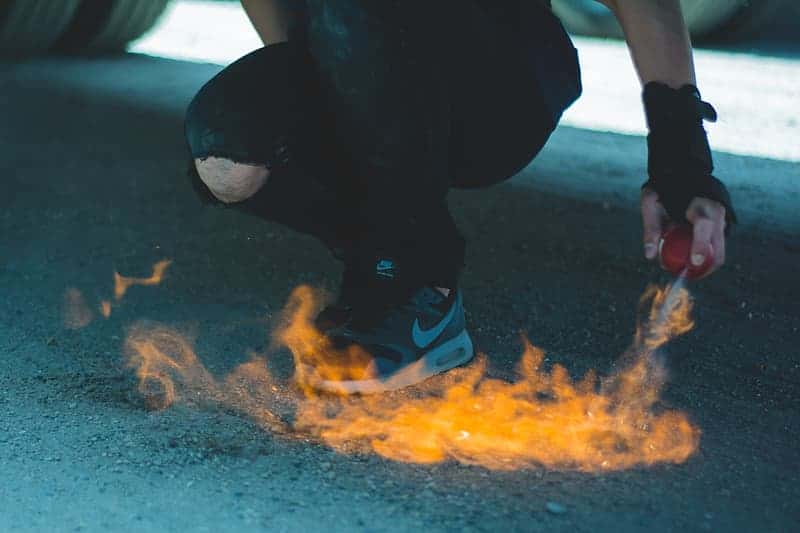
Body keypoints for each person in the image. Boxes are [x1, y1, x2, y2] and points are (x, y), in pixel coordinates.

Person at [184, 0, 736, 393]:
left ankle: (419, 278)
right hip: (362, 40)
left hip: (501, 81)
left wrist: (680, 159)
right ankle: (385, 258)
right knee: (227, 161)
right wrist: (324, 82)